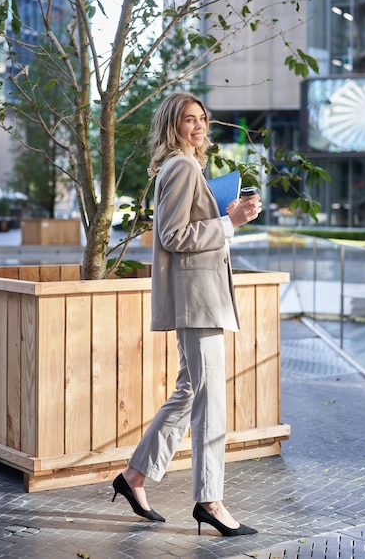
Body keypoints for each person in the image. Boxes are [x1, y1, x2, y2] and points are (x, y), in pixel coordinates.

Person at [111, 91, 262, 536]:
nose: (198, 127)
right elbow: (174, 235)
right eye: (188, 120)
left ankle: (134, 476)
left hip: (201, 295)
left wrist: (229, 216)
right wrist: (229, 222)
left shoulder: (187, 167)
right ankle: (210, 500)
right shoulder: (182, 166)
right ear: (172, 126)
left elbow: (186, 230)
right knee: (209, 400)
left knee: (190, 391)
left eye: (202, 119)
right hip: (198, 299)